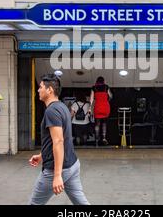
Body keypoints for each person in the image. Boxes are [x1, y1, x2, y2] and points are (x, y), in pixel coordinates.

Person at [29, 74, 89, 205]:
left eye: (40, 87)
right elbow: (58, 139)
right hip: (72, 164)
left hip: (57, 169)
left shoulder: (52, 111)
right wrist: (42, 155)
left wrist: (57, 175)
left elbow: (58, 141)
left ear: (49, 90)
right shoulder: (62, 107)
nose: (38, 90)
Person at [89, 76, 112, 146]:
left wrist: (90, 108)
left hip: (97, 107)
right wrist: (107, 99)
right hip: (105, 107)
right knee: (104, 123)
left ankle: (96, 140)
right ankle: (104, 138)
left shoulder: (94, 88)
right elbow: (110, 96)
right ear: (103, 81)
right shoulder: (106, 87)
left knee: (97, 124)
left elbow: (91, 99)